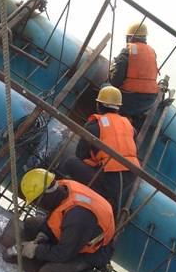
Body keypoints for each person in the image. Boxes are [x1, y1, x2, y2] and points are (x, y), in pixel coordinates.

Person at [15, 168, 115, 272]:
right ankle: (46, 245)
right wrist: (44, 233)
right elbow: (56, 214)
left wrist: (36, 250)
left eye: (37, 202)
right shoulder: (62, 187)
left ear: (44, 195)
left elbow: (64, 254)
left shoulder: (77, 217)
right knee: (31, 224)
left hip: (92, 252)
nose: (37, 206)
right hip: (78, 232)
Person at [60, 86, 140, 216]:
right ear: (118, 107)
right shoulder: (129, 125)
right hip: (130, 176)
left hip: (109, 181)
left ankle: (79, 196)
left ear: (99, 105)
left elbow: (80, 154)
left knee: (70, 162)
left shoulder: (94, 126)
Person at [109, 22, 159, 129]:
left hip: (131, 99)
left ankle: (111, 120)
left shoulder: (128, 51)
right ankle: (133, 119)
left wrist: (113, 68)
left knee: (105, 87)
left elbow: (115, 81)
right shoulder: (152, 51)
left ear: (129, 37)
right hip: (149, 101)